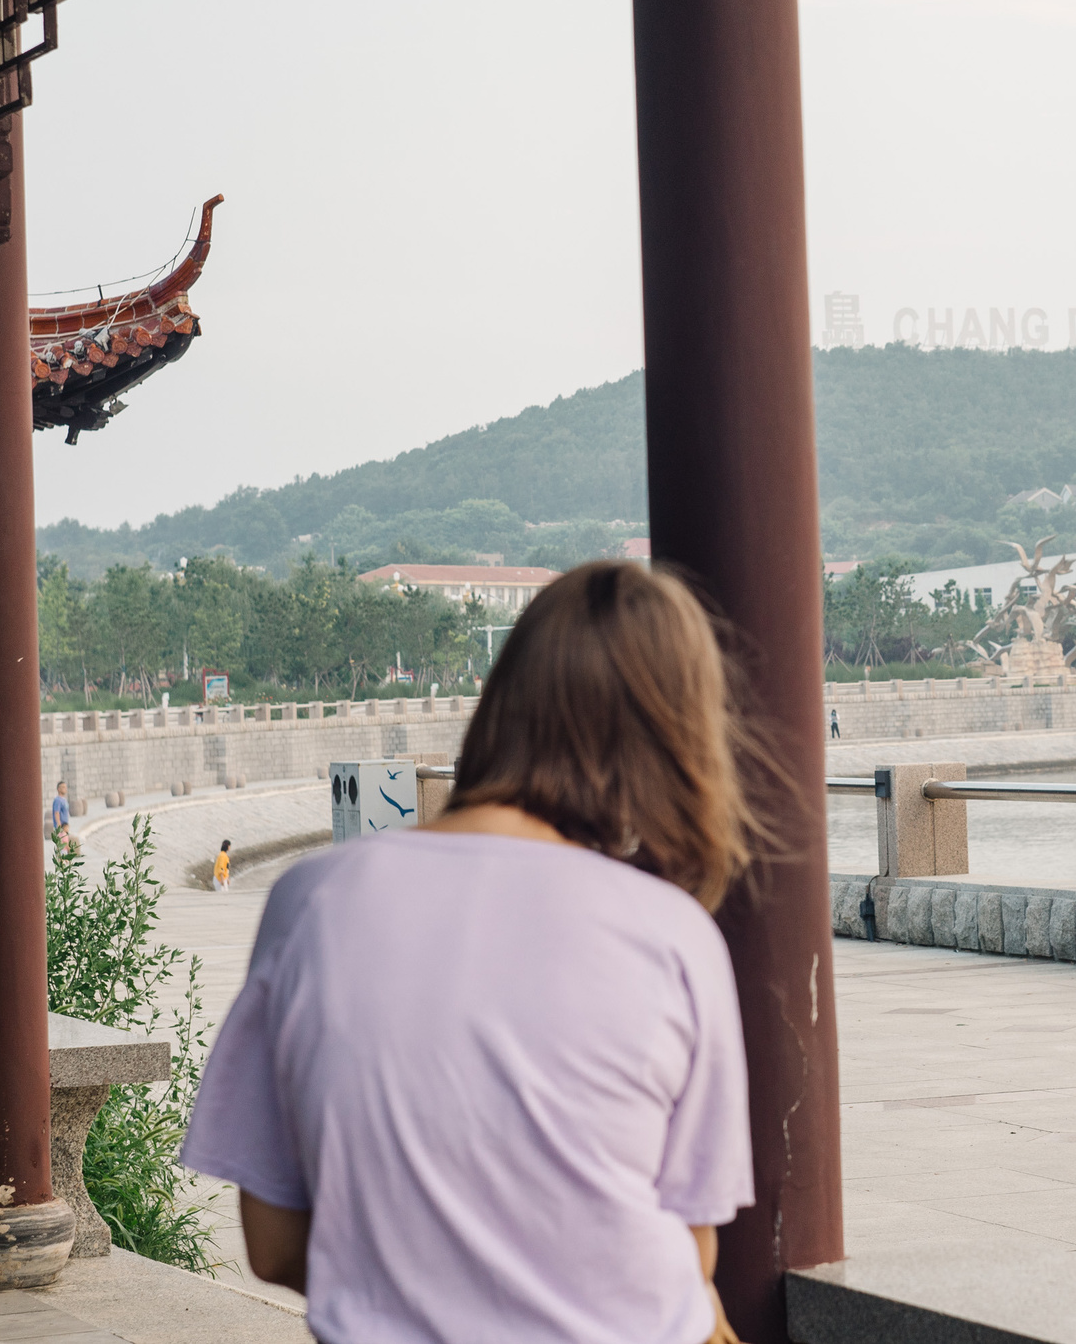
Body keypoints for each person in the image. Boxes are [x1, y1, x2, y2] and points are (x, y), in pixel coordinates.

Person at [182, 560, 758, 1344]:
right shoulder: (672, 932)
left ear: (502, 707)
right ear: (676, 742)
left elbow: (275, 1245)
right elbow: (689, 1254)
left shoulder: (311, 900)